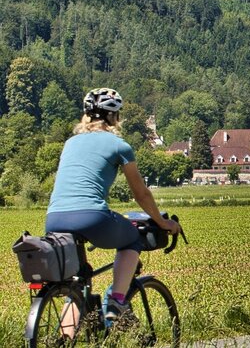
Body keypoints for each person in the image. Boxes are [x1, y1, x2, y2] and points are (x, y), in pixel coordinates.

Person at [46, 88, 180, 319]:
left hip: (54, 219)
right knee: (132, 239)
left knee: (77, 284)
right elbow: (141, 194)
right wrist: (162, 222)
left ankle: (63, 339)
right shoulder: (120, 146)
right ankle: (117, 303)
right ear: (114, 117)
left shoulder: (70, 143)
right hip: (92, 216)